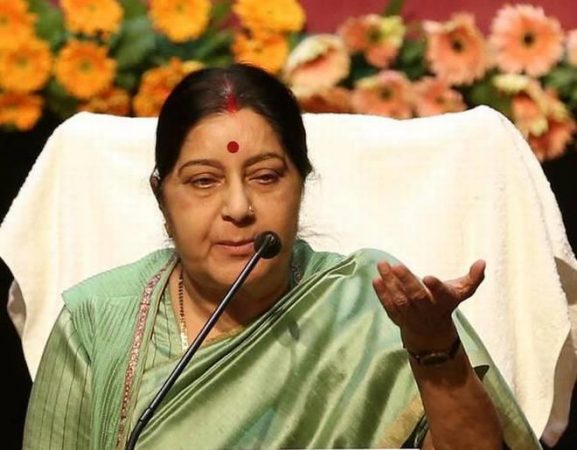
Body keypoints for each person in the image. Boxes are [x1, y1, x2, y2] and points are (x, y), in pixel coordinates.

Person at [22, 63, 542, 450]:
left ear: (301, 185)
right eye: (203, 181)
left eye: (266, 176)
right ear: (162, 198)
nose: (239, 208)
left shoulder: (374, 307)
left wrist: (435, 351)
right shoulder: (97, 323)